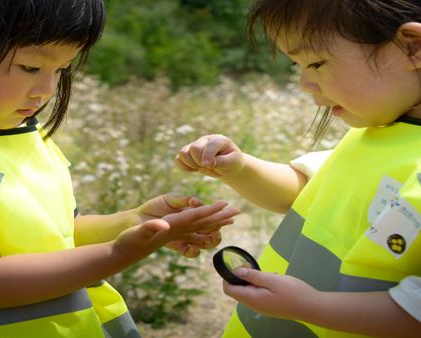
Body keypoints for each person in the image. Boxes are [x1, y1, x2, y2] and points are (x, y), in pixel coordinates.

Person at [0, 1, 241, 338]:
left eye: (61, 69)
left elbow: (61, 234)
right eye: (30, 67)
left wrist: (133, 223)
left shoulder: (28, 135)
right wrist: (118, 253)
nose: (45, 90)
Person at [175, 0, 421, 337]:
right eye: (298, 65)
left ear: (413, 47)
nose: (305, 83)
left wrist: (307, 306)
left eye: (316, 63)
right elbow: (303, 191)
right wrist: (240, 168)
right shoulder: (376, 132)